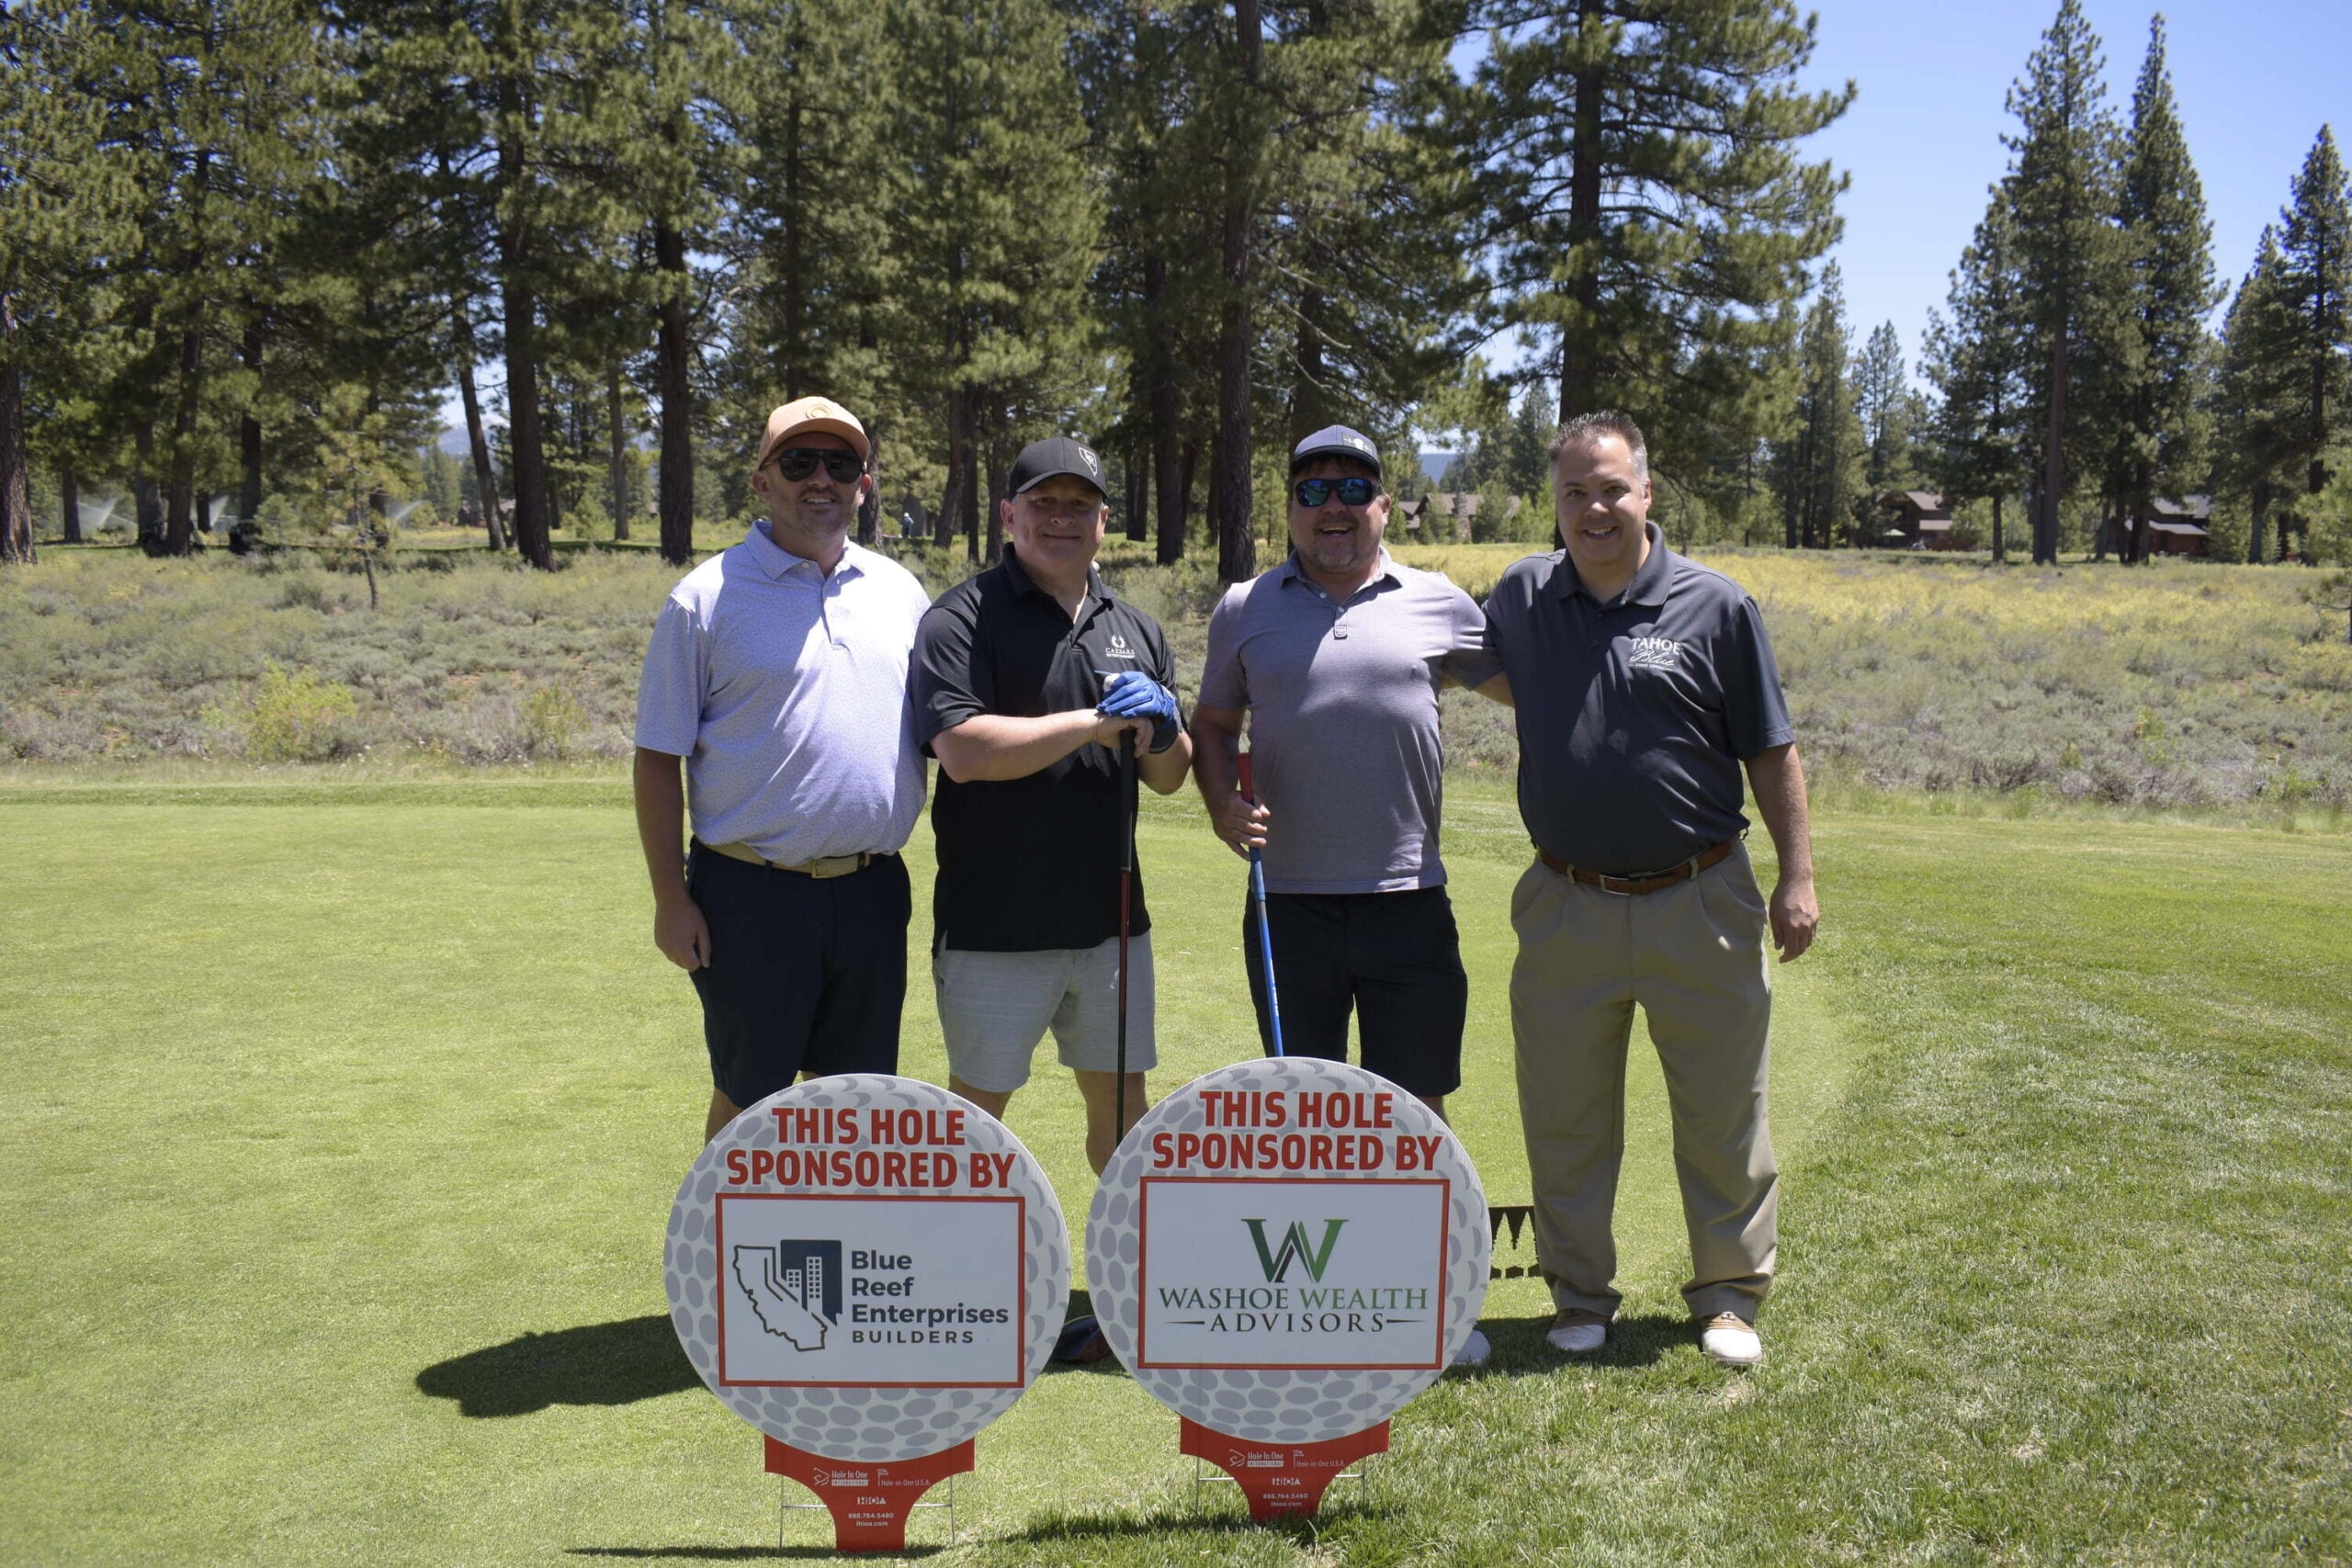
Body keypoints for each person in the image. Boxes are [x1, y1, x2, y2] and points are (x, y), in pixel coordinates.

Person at [1480, 410, 1819, 1370]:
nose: (1594, 509)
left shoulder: (1716, 606)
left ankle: (1728, 1297)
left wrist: (1797, 876)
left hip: (1700, 897)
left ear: (1646, 493)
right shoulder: (1522, 596)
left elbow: (1771, 749)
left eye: (1611, 490)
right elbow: (1445, 655)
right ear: (1555, 501)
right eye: (1575, 493)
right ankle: (1579, 1296)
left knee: (1721, 1112)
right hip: (1565, 900)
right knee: (1565, 1117)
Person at [1190, 423, 1506, 1370]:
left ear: (1384, 504)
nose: (1334, 506)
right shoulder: (1245, 608)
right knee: (1306, 1116)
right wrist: (1220, 799)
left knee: (1416, 1112)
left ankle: (1435, 1307)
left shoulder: (1437, 601)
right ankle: (1317, 1308)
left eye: (1354, 488)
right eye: (1313, 489)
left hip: (1409, 898)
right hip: (1286, 904)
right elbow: (1213, 725)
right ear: (1290, 507)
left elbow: (1534, 689)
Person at [632, 397, 932, 1143]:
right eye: (799, 462)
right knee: (748, 1103)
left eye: (841, 464)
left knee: (854, 1108)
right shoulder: (703, 599)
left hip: (872, 892)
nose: (820, 479)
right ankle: (717, 1224)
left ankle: (839, 1228)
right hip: (749, 896)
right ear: (762, 482)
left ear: (864, 484)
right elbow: (658, 756)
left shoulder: (900, 592)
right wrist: (670, 897)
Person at [911, 436, 1192, 1179]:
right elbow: (964, 751)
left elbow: (1170, 777)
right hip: (993, 927)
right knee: (974, 1128)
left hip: (1111, 927)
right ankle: (965, 1256)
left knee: (1124, 1116)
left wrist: (1165, 727)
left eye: (1079, 504)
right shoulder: (960, 618)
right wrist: (1095, 724)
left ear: (1103, 521)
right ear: (1010, 514)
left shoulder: (1136, 628)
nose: (1061, 518)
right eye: (1044, 503)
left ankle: (1125, 1252)